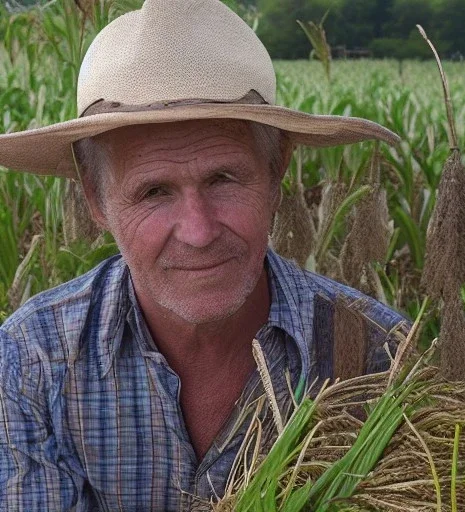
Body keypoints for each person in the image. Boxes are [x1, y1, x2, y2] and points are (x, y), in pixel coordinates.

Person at [0, 0, 410, 510]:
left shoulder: (381, 355)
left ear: (276, 170)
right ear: (95, 200)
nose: (197, 232)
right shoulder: (31, 362)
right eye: (153, 192)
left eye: (224, 178)